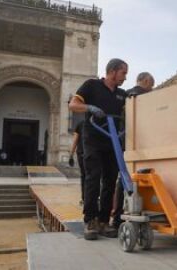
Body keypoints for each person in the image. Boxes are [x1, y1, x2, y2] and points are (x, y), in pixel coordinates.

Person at [68, 58, 128, 240]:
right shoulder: (91, 85)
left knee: (110, 180)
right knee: (93, 178)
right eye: (123, 73)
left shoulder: (121, 94)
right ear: (112, 71)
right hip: (93, 138)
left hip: (112, 140)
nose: (125, 77)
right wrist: (90, 107)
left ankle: (103, 221)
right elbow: (73, 104)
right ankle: (90, 221)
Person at [111, 72, 155, 228]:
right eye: (151, 84)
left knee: (122, 179)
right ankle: (131, 212)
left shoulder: (126, 94)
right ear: (145, 80)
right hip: (139, 144)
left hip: (124, 143)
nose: (152, 88)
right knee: (132, 178)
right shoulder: (142, 94)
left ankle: (117, 217)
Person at [69, 120, 85, 206]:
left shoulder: (80, 124)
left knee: (84, 176)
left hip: (82, 154)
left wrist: (71, 155)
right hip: (93, 153)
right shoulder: (95, 123)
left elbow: (75, 140)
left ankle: (84, 198)